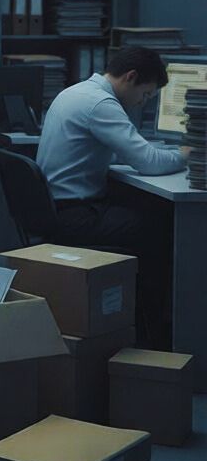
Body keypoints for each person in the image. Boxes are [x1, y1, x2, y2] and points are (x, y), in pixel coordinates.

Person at [37, 46, 188, 346]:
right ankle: (157, 331)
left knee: (144, 211)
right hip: (74, 217)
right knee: (161, 225)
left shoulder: (78, 92)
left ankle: (149, 323)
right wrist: (187, 154)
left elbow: (124, 153)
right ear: (130, 77)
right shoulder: (100, 104)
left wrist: (163, 153)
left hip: (57, 209)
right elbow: (148, 162)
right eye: (145, 95)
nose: (142, 103)